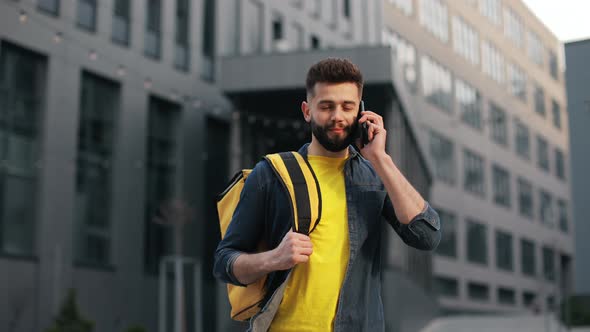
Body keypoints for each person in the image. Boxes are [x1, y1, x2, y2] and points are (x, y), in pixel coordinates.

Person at [214, 57, 441, 332]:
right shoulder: (271, 174)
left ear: (361, 111)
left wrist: (381, 158)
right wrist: (274, 258)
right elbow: (224, 262)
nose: (337, 116)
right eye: (326, 106)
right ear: (307, 111)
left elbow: (426, 235)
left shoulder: (374, 177)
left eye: (348, 106)